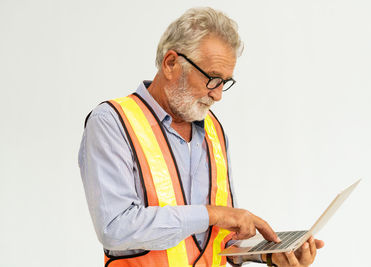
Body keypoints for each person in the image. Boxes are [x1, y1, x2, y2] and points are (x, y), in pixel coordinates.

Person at [78, 7, 324, 267]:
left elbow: (221, 237)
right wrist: (212, 214)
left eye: (225, 82)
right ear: (171, 63)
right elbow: (115, 228)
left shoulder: (213, 130)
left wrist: (269, 254)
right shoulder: (112, 122)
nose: (218, 95)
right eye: (212, 79)